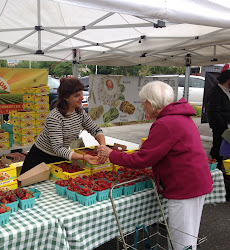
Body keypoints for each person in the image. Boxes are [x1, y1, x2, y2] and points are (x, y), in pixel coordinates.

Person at [97, 81, 213, 250]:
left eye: (143, 103)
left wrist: (111, 154)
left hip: (184, 186)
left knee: (181, 240)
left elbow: (143, 160)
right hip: (194, 180)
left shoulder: (165, 123)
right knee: (189, 233)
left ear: (150, 103)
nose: (143, 106)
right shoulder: (180, 116)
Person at [21, 77, 106, 174]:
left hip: (60, 157)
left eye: (82, 93)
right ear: (66, 98)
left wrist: (102, 147)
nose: (82, 98)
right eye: (76, 95)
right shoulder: (55, 117)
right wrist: (83, 157)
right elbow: (58, 148)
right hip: (40, 159)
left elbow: (95, 129)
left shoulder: (80, 113)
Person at [207, 69, 230, 172]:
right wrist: (223, 125)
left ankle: (223, 171)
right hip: (220, 128)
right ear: (228, 80)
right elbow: (214, 112)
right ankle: (214, 171)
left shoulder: (227, 91)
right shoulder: (216, 92)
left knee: (224, 151)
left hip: (226, 127)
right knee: (218, 149)